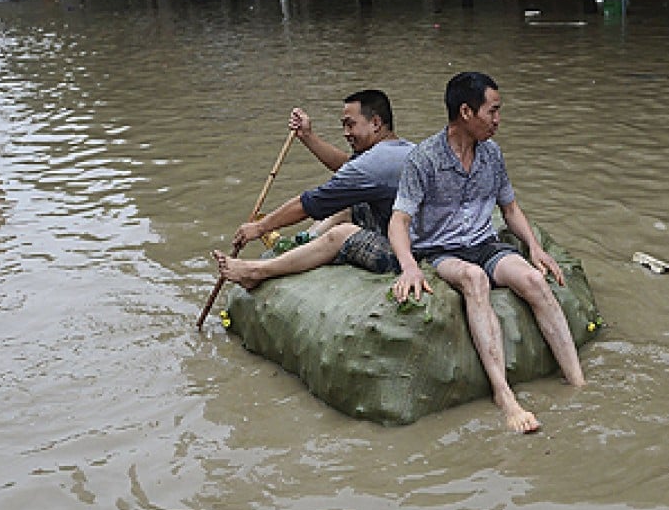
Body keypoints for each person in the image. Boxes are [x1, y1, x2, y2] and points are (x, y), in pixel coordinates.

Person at [389, 72, 585, 434]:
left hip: (484, 242)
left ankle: (578, 382)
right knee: (474, 279)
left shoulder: (491, 155)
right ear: (466, 111)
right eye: (492, 111)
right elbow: (399, 220)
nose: (497, 120)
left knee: (533, 280)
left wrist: (535, 247)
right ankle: (504, 396)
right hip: (441, 249)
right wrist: (409, 267)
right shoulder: (424, 159)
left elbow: (510, 209)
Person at [213, 90, 414, 289]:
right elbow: (348, 168)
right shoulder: (401, 149)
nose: (346, 133)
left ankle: (256, 271)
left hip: (409, 252)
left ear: (376, 123)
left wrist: (260, 227)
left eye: (350, 125)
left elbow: (311, 203)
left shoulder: (374, 163)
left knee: (341, 233)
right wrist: (307, 136)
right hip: (408, 232)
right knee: (348, 205)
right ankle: (303, 243)